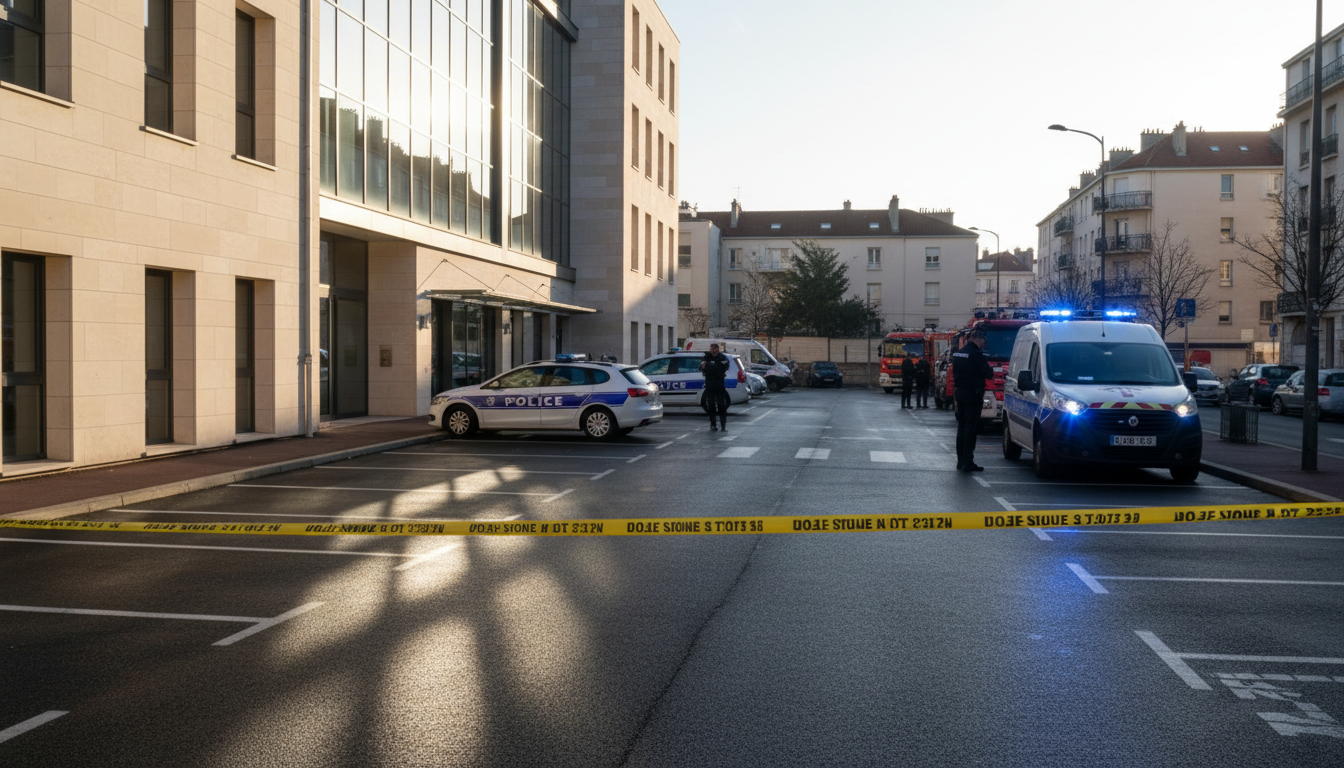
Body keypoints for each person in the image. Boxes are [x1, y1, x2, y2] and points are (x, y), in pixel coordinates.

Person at [951, 329, 993, 471]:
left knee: (962, 427)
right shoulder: (976, 355)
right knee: (971, 428)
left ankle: (960, 460)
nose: (984, 344)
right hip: (973, 394)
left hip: (960, 393)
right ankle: (968, 461)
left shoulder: (959, 353)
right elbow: (989, 374)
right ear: (978, 339)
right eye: (984, 341)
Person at [700, 343, 731, 431]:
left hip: (720, 385)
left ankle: (723, 425)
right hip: (710, 385)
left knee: (721, 405)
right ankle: (713, 424)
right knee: (711, 405)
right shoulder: (706, 357)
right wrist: (715, 367)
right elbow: (702, 367)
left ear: (717, 349)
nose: (714, 351)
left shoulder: (722, 357)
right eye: (712, 349)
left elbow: (725, 367)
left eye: (715, 349)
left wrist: (710, 367)